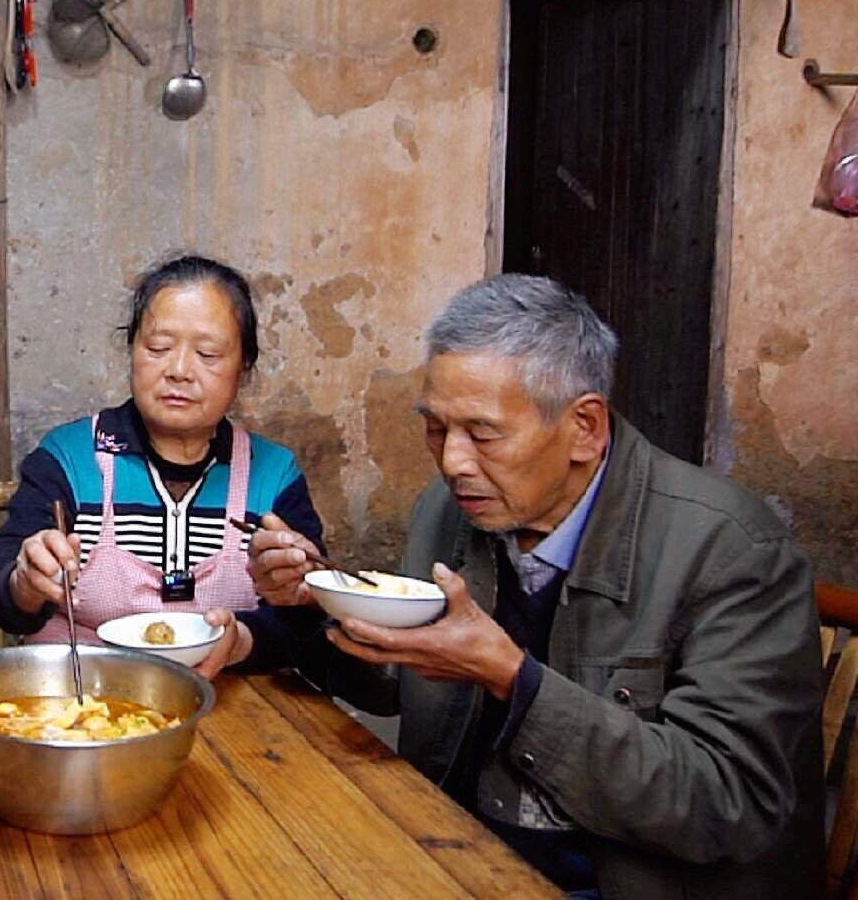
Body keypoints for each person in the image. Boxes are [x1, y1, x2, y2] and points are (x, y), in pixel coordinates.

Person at [225, 274, 824, 897]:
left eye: (482, 433)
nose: (453, 461)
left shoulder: (730, 551)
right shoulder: (451, 511)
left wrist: (515, 679)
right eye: (436, 427)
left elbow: (731, 804)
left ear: (585, 428)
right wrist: (308, 605)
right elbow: (394, 684)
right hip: (459, 854)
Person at [0, 254, 322, 675]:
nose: (178, 371)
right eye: (158, 348)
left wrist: (247, 636)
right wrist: (25, 583)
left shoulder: (272, 474)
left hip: (229, 708)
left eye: (208, 354)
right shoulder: (70, 458)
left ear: (243, 368)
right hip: (80, 703)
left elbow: (309, 626)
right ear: (132, 350)